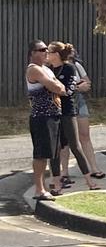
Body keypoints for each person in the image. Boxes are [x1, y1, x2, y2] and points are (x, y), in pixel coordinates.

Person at [46, 42, 99, 192]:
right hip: (52, 111)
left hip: (68, 111)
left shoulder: (69, 68)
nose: (47, 55)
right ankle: (57, 184)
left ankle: (89, 181)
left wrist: (57, 87)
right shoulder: (48, 70)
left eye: (49, 52)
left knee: (75, 145)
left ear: (56, 54)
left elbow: (68, 90)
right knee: (55, 148)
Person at [26, 41, 68, 201]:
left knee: (51, 153)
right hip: (41, 117)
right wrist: (56, 85)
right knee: (41, 155)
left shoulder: (47, 70)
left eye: (46, 50)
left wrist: (57, 86)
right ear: (32, 53)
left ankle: (43, 188)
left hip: (53, 115)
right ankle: (39, 190)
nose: (45, 52)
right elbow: (56, 87)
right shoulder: (34, 69)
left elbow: (62, 88)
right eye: (41, 50)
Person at [68, 47, 105, 179]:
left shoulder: (77, 66)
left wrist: (81, 85)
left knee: (84, 135)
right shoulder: (59, 67)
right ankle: (63, 173)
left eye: (73, 51)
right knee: (65, 139)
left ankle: (94, 168)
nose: (72, 53)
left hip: (79, 101)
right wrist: (78, 86)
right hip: (66, 101)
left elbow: (87, 82)